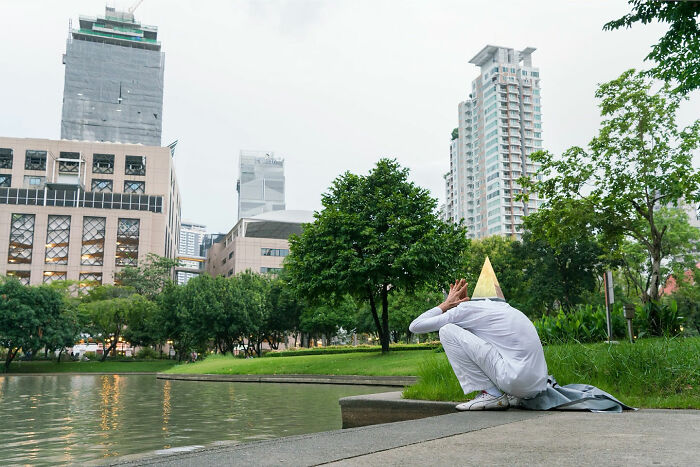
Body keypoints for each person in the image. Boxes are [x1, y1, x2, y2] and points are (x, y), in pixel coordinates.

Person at [409, 257, 548, 411]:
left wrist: (446, 304)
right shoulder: (501, 310)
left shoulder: (463, 310)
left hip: (515, 381)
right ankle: (511, 395)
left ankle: (490, 394)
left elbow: (415, 326)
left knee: (447, 331)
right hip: (536, 387)